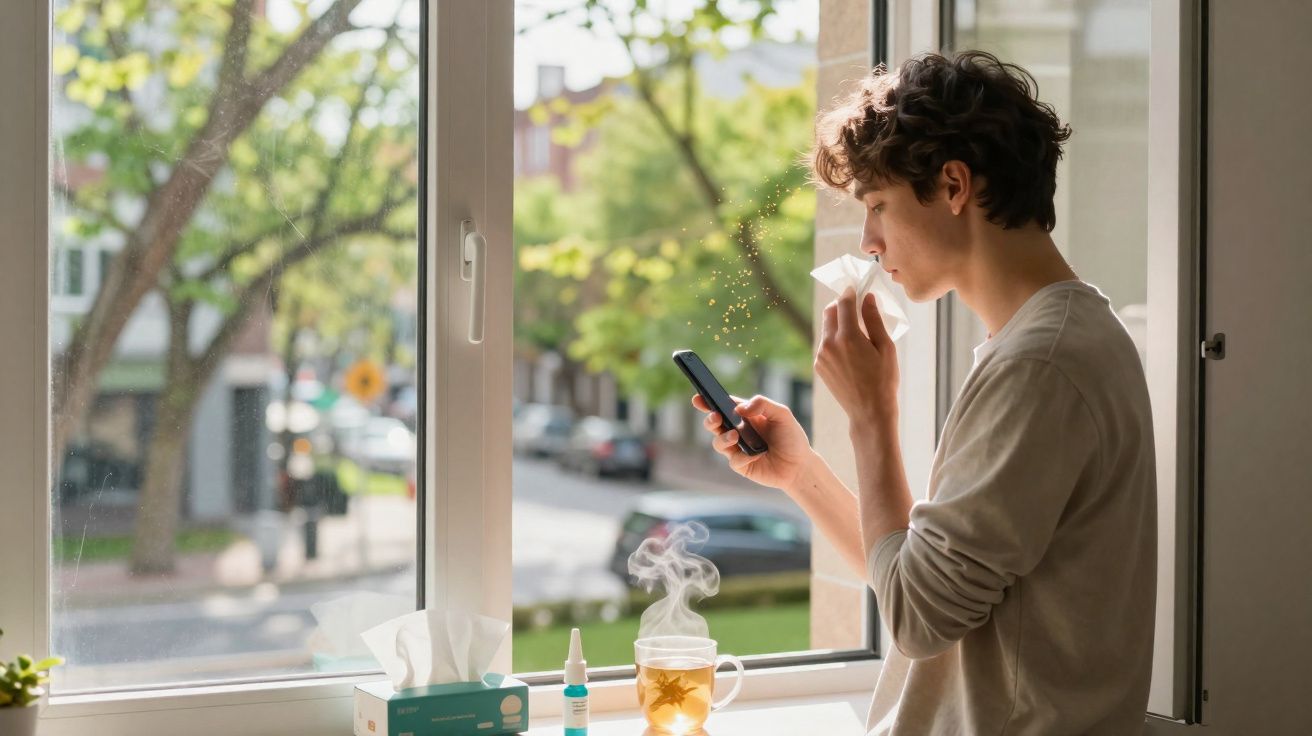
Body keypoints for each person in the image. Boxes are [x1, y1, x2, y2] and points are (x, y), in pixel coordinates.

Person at [691, 51, 1156, 735]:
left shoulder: (1040, 365)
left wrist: (871, 416)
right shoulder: (1050, 341)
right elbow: (920, 580)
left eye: (877, 205)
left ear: (954, 185)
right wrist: (801, 474)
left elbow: (917, 620)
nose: (868, 242)